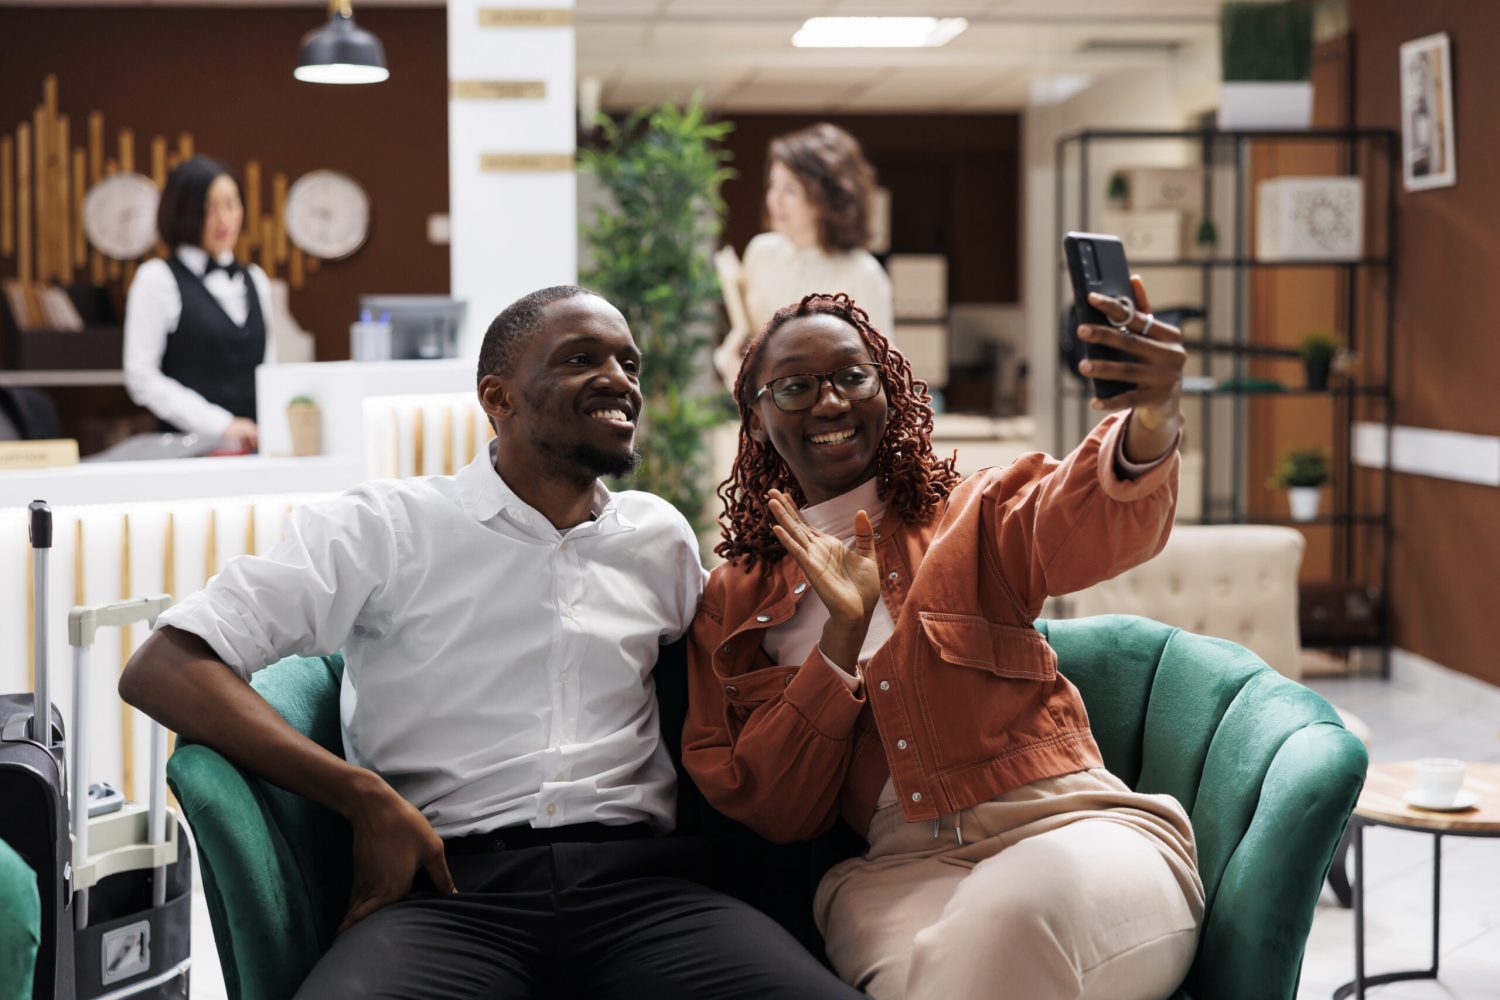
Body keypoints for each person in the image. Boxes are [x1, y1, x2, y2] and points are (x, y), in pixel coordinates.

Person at [120, 285, 862, 1000]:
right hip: (447, 895)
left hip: (645, 893)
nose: (618, 380)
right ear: (497, 398)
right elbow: (165, 668)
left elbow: (725, 684)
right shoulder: (385, 528)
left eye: (629, 364)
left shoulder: (658, 537)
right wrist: (362, 796)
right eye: (581, 359)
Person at [684, 285, 1203, 1000]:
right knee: (979, 958)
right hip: (896, 877)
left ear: (887, 389)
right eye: (796, 387)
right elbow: (772, 807)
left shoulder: (976, 512)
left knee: (1008, 924)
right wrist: (839, 640)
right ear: (758, 415)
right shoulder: (732, 603)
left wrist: (1152, 416)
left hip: (1071, 828)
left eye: (851, 376)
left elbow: (1085, 517)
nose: (829, 403)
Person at [714, 123, 893, 388]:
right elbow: (751, 337)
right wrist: (731, 355)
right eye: (772, 186)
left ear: (826, 198)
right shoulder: (761, 252)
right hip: (768, 411)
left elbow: (883, 371)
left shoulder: (861, 272)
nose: (774, 200)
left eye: (790, 190)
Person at [123, 156, 271, 451]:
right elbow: (141, 376)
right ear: (182, 213)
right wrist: (220, 424)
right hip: (187, 450)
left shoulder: (256, 279)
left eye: (232, 204)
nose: (225, 220)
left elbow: (270, 369)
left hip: (255, 449)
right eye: (209, 209)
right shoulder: (157, 279)